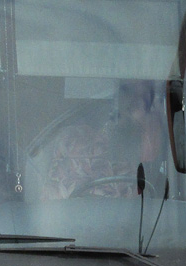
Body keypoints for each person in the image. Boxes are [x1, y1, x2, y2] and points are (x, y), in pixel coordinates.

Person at [37, 79, 165, 199]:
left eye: (145, 103)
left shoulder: (145, 177)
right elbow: (51, 197)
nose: (132, 107)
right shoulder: (73, 139)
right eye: (128, 95)